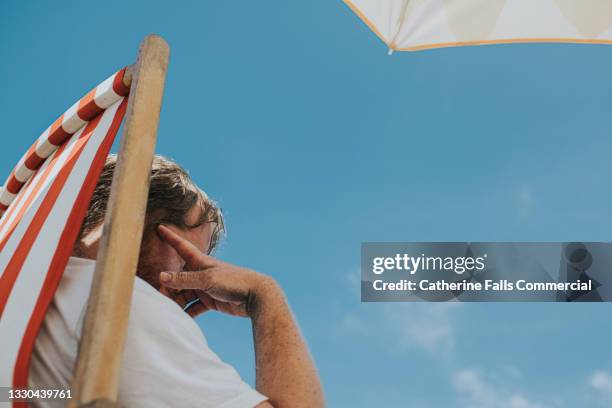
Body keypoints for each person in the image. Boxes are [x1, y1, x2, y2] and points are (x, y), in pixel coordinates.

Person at [29, 154, 325, 408]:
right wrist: (265, 294)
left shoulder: (30, 290)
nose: (189, 283)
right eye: (187, 259)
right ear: (131, 217)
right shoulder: (121, 302)